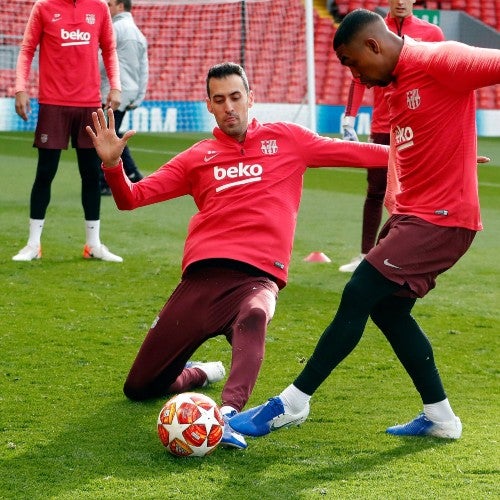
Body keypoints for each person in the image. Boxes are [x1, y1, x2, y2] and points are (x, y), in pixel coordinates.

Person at [86, 62, 390, 449]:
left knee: (256, 313)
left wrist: (439, 159)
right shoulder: (198, 157)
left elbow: (361, 153)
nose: (229, 107)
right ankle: (198, 375)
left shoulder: (288, 140)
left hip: (258, 278)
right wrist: (112, 165)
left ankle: (227, 415)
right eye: (219, 100)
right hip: (200, 282)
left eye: (235, 97)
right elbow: (132, 198)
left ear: (250, 97)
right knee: (139, 387)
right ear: (209, 106)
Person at [230, 10, 500, 441]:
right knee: (389, 310)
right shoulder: (392, 89)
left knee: (358, 292)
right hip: (410, 216)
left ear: (374, 45)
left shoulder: (441, 59)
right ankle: (441, 417)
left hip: (443, 219)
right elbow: (414, 149)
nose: (356, 75)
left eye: (354, 63)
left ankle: (292, 403)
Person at [12, 0, 123, 263]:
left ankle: (93, 244)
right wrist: (20, 88)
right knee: (45, 173)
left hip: (89, 104)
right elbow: (27, 49)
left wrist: (115, 86)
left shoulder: (99, 8)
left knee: (91, 175)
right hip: (53, 103)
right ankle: (33, 245)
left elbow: (109, 49)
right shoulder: (43, 7)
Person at [338, 0, 444, 273]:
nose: (400, 1)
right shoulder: (372, 30)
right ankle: (365, 255)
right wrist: (349, 117)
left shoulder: (432, 33)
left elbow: (440, 77)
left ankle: (406, 256)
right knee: (375, 191)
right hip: (384, 126)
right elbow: (358, 78)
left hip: (418, 126)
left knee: (415, 194)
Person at [100, 0, 148, 196]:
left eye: (110, 4)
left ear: (121, 6)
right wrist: (139, 96)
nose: (107, 7)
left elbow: (101, 59)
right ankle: (133, 173)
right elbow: (144, 69)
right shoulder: (139, 34)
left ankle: (104, 183)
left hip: (113, 91)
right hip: (129, 91)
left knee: (102, 136)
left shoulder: (114, 28)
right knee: (113, 133)